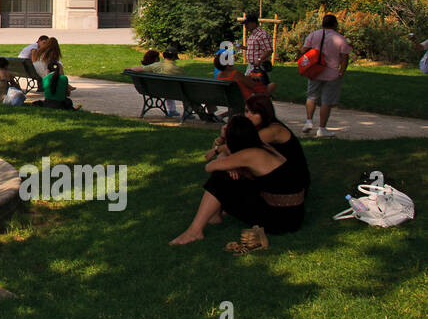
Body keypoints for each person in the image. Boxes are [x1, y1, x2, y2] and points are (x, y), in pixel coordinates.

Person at [170, 113, 308, 247]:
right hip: (293, 214)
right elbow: (228, 156)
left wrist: (227, 162)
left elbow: (209, 167)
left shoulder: (249, 154)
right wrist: (230, 164)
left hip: (282, 220)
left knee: (221, 178)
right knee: (228, 175)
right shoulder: (262, 147)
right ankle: (213, 216)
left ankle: (194, 231)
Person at [301, 13, 351, 137]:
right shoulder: (340, 38)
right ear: (335, 24)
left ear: (322, 23)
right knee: (326, 101)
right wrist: (342, 71)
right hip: (332, 73)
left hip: (315, 71)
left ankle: (308, 121)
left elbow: (304, 51)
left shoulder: (313, 35)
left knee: (311, 97)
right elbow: (345, 57)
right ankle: (322, 128)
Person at [127, 45, 185, 116]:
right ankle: (186, 112)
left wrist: (130, 68)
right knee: (183, 92)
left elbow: (141, 68)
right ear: (174, 57)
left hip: (153, 91)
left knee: (168, 87)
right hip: (172, 92)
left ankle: (172, 110)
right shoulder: (179, 69)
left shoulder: (155, 66)